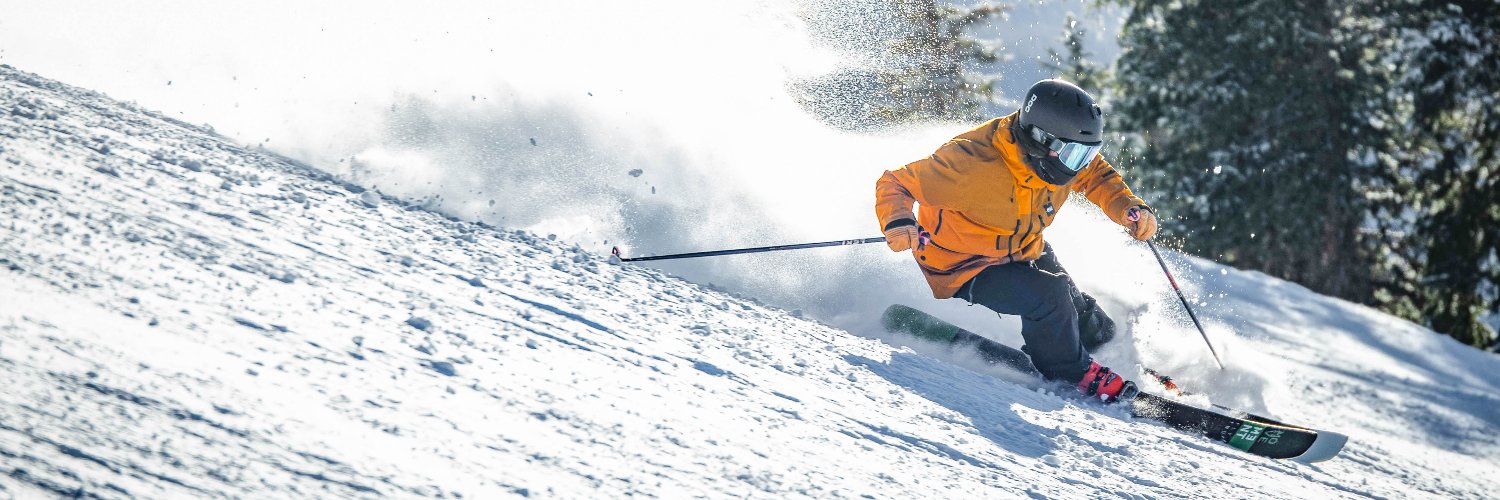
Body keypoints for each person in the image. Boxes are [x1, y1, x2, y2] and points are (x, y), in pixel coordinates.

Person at [873, 79, 1158, 402]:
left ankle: (1102, 350)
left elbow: (1095, 175)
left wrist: (1127, 206)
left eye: (1088, 153)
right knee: (1048, 297)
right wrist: (898, 222)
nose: (1081, 164)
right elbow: (895, 183)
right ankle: (1071, 372)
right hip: (964, 263)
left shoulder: (1060, 160)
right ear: (1040, 140)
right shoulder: (969, 162)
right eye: (1076, 155)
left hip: (1022, 246)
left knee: (1085, 317)